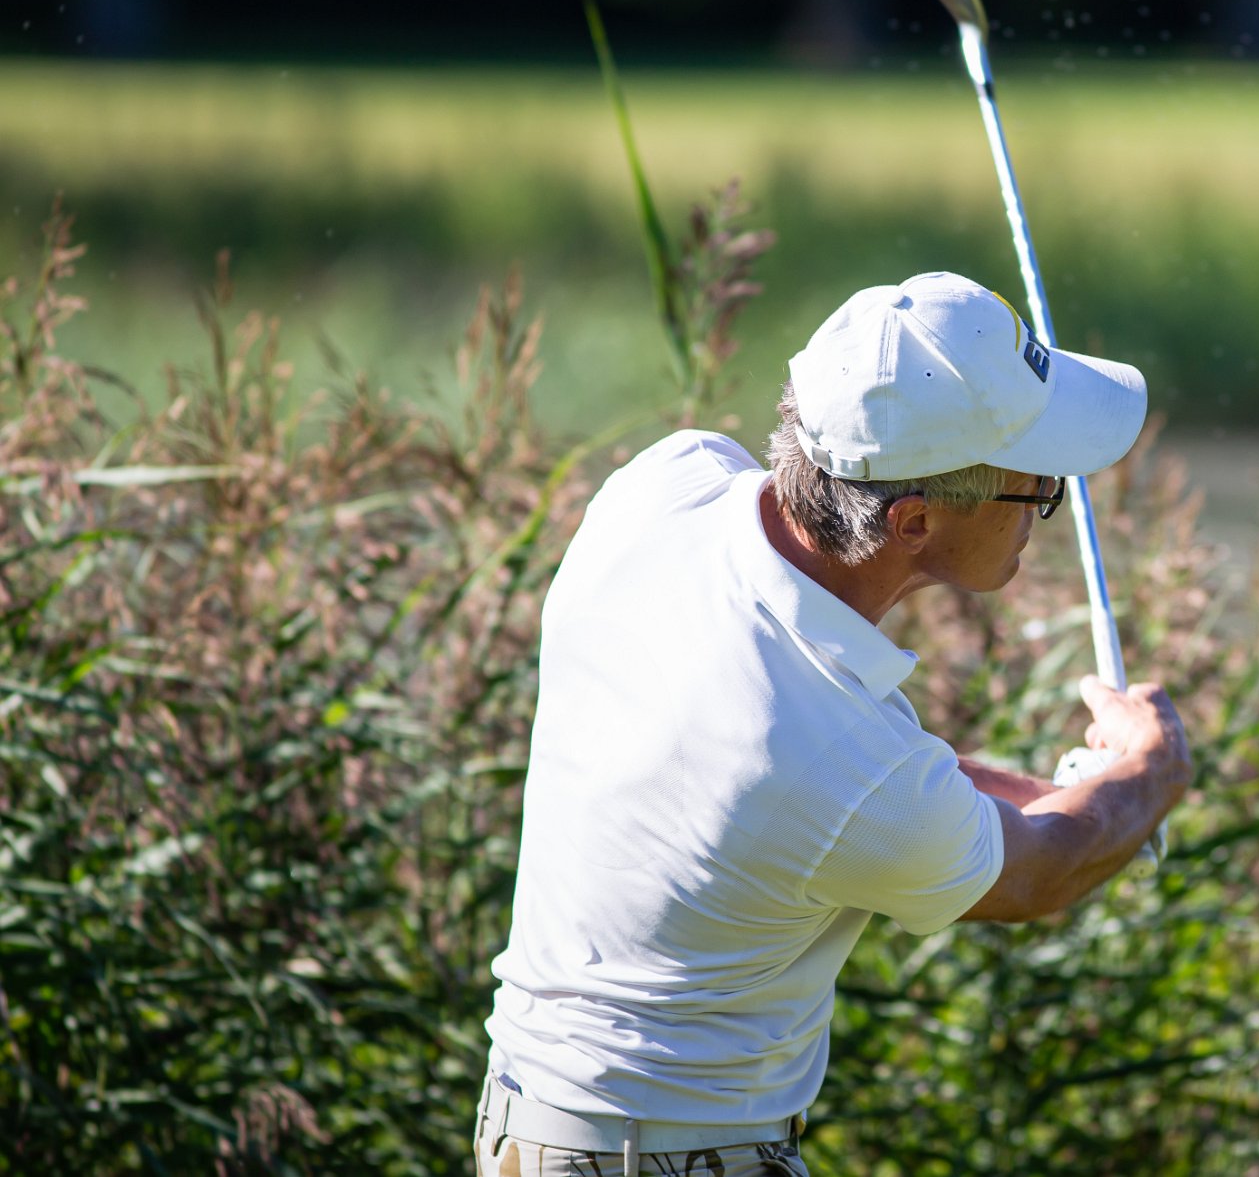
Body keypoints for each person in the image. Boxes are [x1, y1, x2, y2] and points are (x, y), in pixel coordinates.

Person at [475, 271, 1191, 1176]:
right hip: (665, 1156)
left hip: (530, 1124)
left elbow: (889, 784)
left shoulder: (664, 488)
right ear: (915, 518)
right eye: (1032, 487)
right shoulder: (830, 757)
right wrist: (1153, 771)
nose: (1049, 498)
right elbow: (1040, 874)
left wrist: (1071, 793)